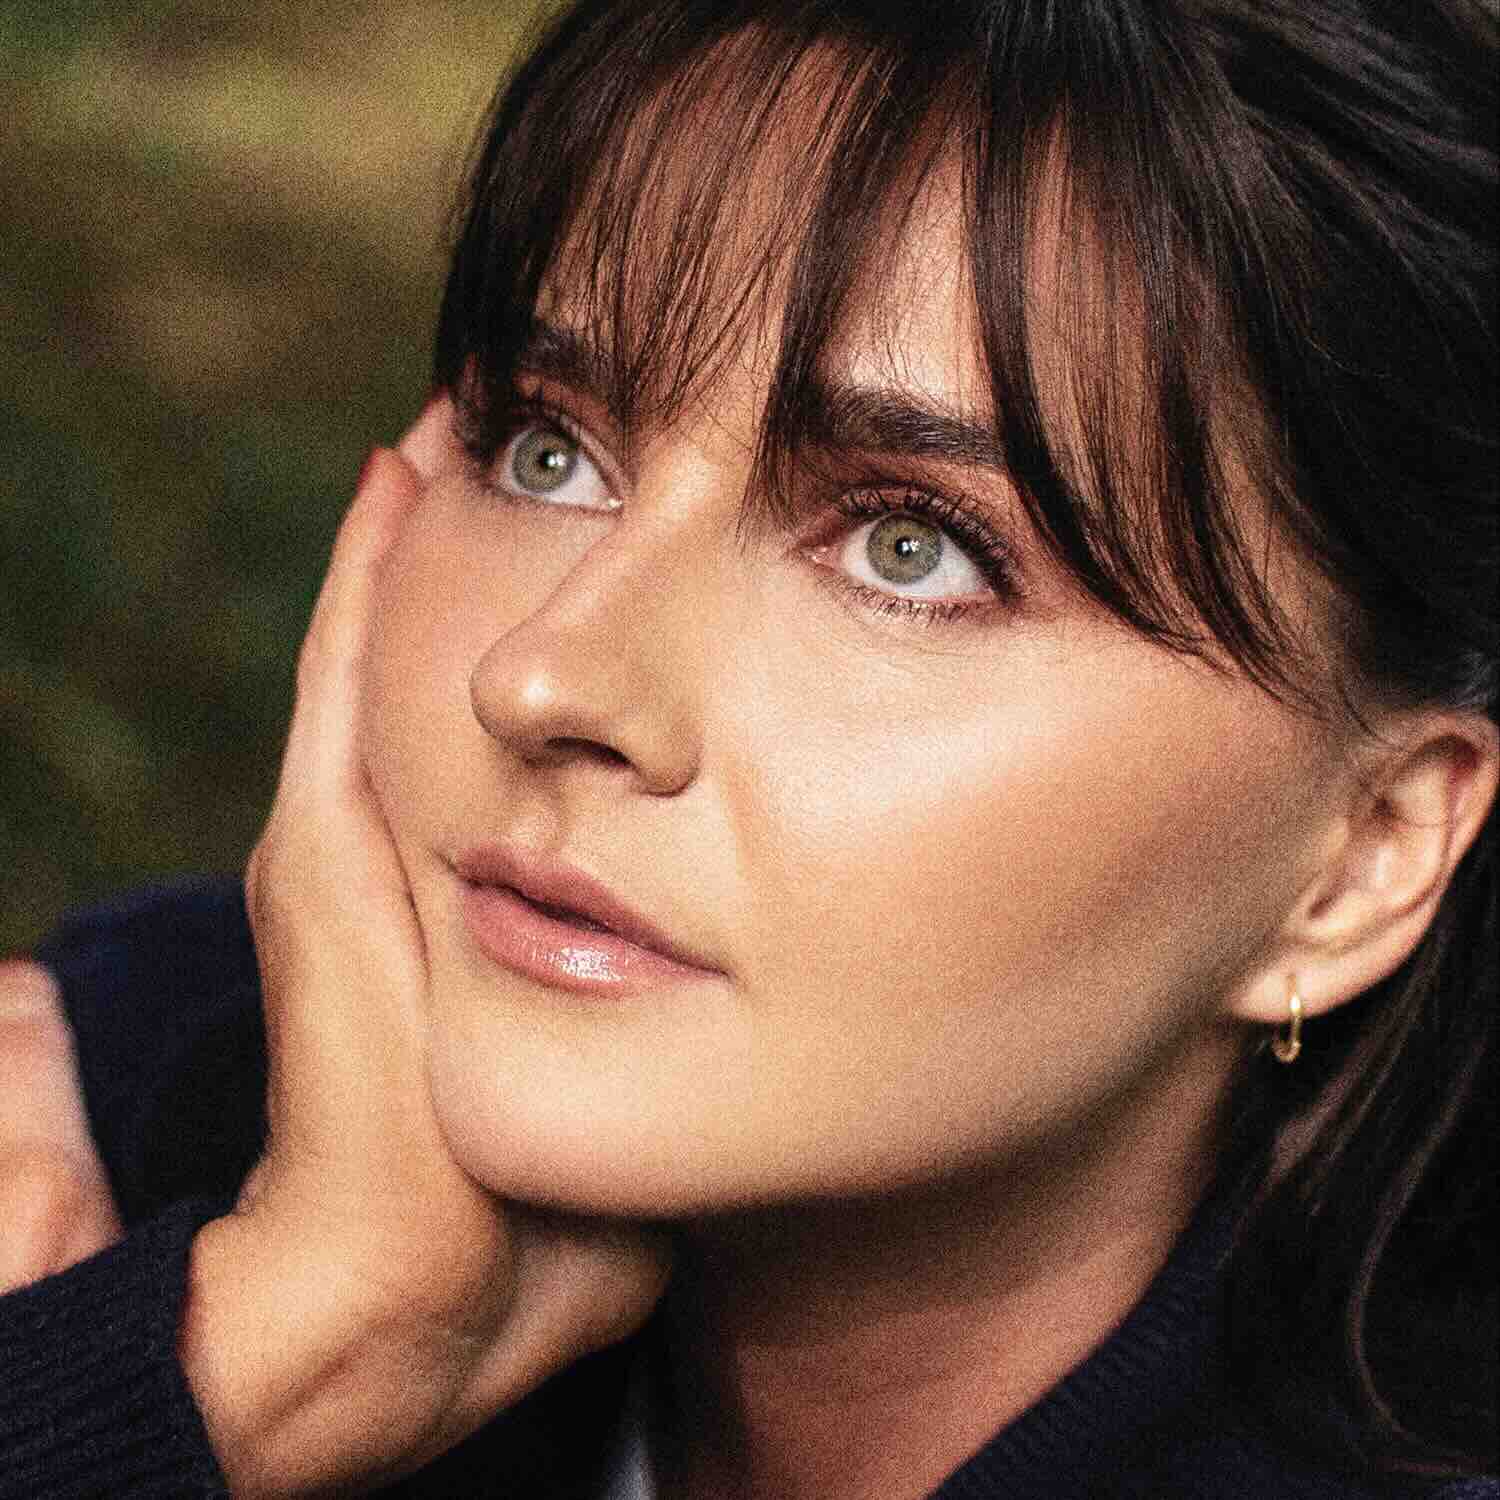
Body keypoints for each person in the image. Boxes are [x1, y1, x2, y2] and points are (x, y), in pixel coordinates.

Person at [1, 0, 1496, 1495]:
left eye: (913, 550)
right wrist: (259, 1350)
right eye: (548, 450)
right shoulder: (94, 1112)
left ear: (1358, 862)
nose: (545, 678)